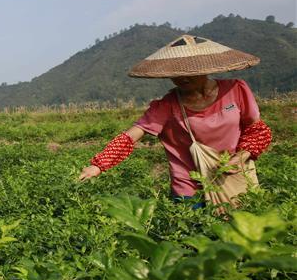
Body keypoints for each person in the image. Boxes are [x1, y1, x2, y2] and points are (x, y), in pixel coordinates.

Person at [79, 35, 272, 203]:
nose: (180, 77)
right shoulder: (167, 105)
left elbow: (257, 130)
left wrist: (241, 157)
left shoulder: (235, 90)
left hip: (232, 177)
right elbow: (132, 136)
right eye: (174, 72)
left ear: (205, 68)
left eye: (187, 71)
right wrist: (99, 165)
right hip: (189, 189)